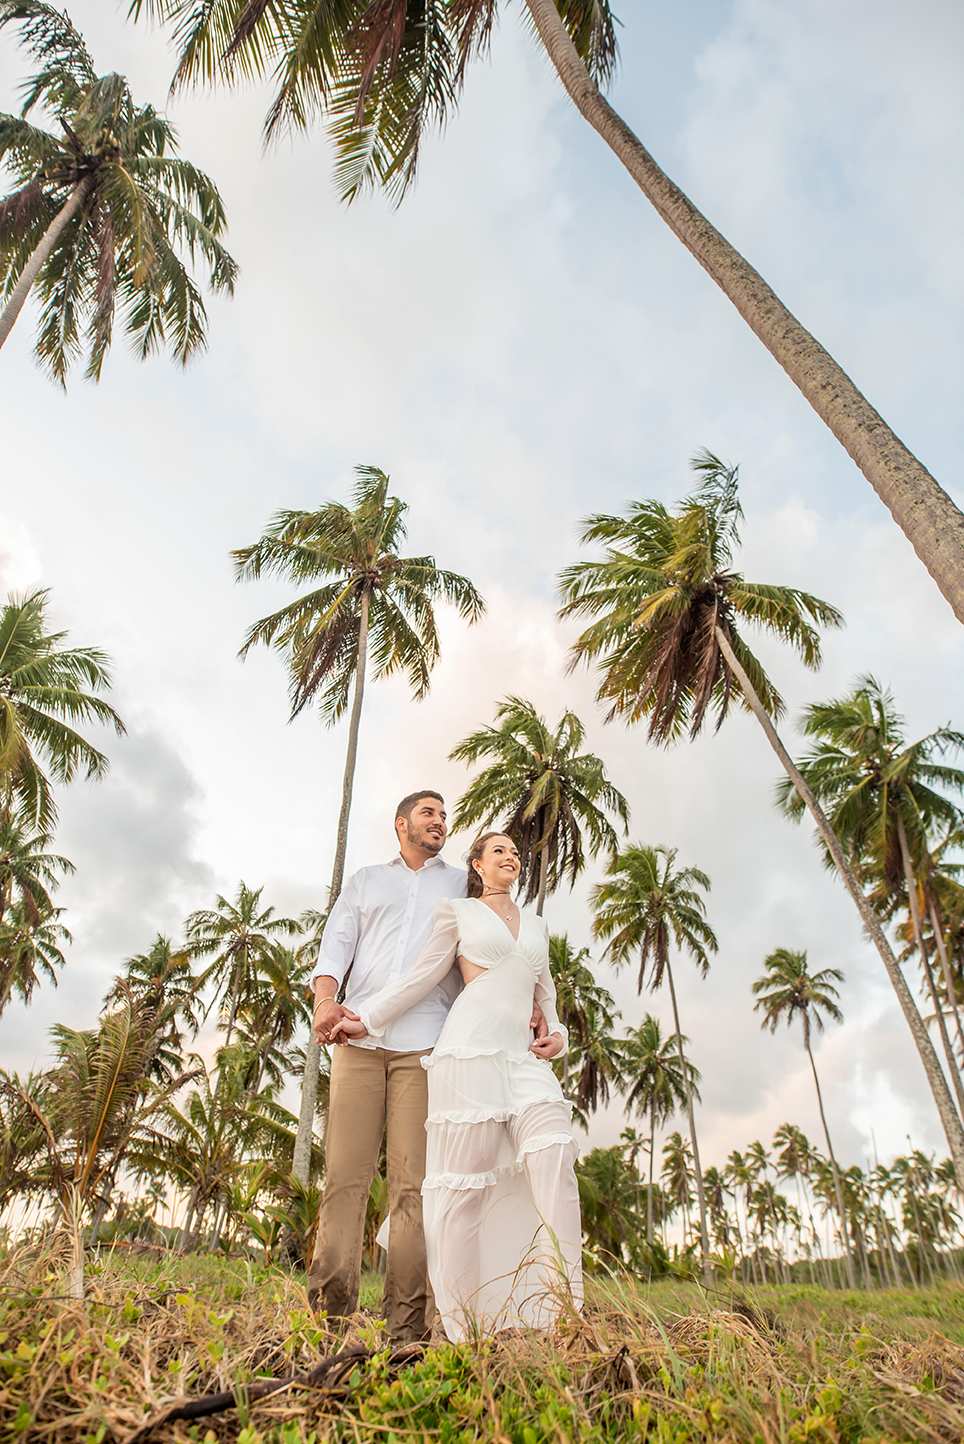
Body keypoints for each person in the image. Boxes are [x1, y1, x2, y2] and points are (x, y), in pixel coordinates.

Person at [308, 793, 547, 1343]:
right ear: (402, 824)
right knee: (345, 1179)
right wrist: (325, 1000)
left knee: (415, 1188)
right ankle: (327, 1319)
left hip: (426, 1047)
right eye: (429, 814)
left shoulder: (458, 886)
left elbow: (488, 947)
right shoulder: (367, 880)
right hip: (357, 1042)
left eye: (444, 816)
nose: (440, 822)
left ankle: (406, 1329)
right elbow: (336, 943)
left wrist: (527, 1001)